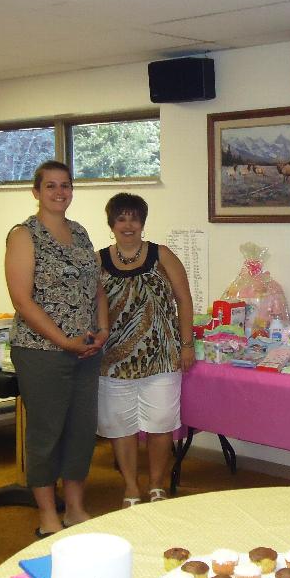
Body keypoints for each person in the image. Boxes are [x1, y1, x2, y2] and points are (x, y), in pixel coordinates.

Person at [4, 160, 109, 537]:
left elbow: (97, 288)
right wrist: (62, 340)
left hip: (86, 348)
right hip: (41, 350)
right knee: (47, 431)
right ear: (36, 192)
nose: (59, 192)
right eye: (50, 186)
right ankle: (48, 514)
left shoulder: (80, 233)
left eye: (65, 185)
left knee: (81, 430)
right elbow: (22, 299)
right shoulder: (23, 235)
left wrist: (103, 329)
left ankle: (75, 507)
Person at [97, 193, 195, 507]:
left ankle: (156, 486)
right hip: (114, 361)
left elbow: (184, 300)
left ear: (142, 223)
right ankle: (130, 488)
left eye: (134, 218)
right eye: (121, 218)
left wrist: (187, 344)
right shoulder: (97, 260)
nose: (128, 225)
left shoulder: (161, 255)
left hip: (162, 355)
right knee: (120, 426)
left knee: (160, 424)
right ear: (112, 223)